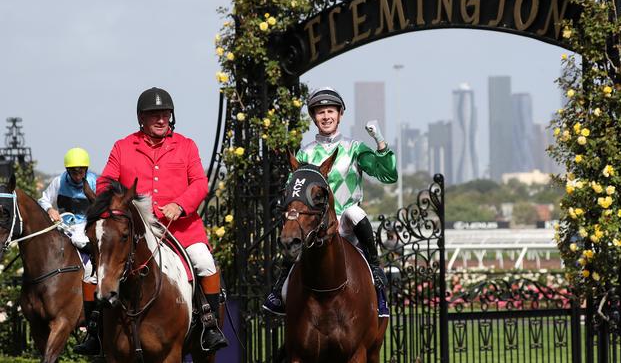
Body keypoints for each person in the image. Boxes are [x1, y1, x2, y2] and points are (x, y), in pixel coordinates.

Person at [73, 87, 228, 354]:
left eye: (165, 114)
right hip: (135, 231)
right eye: (153, 114)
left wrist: (180, 204)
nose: (161, 119)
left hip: (179, 230)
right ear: (141, 118)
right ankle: (95, 333)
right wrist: (115, 203)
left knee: (204, 263)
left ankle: (209, 326)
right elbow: (104, 181)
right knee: (90, 274)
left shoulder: (186, 145)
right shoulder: (123, 147)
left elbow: (200, 183)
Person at [263, 87, 397, 317]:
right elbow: (293, 188)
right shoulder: (305, 154)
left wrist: (380, 141)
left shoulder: (355, 148)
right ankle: (279, 289)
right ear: (314, 117)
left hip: (345, 222)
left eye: (330, 111)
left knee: (354, 212)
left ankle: (375, 270)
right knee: (294, 234)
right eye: (320, 112)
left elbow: (388, 174)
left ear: (340, 114)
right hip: (316, 224)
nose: (326, 116)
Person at [38, 147, 99, 350]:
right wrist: (50, 209)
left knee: (87, 259)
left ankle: (90, 316)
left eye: (81, 171)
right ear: (67, 170)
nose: (78, 175)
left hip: (84, 229)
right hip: (64, 226)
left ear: (87, 169)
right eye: (74, 171)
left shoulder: (94, 181)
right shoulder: (58, 181)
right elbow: (44, 199)